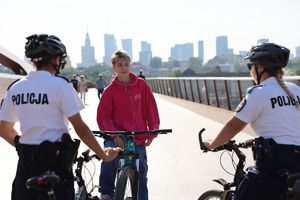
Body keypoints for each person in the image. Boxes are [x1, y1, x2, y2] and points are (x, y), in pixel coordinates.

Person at [0, 34, 120, 200]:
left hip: (26, 165)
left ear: (34, 61)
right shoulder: (61, 85)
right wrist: (104, 155)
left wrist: (23, 147)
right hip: (55, 165)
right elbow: (82, 129)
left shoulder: (16, 88)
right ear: (55, 59)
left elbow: (4, 129)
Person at [203, 43, 300, 200]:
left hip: (273, 167)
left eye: (251, 65)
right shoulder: (295, 90)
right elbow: (286, 125)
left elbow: (233, 125)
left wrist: (212, 144)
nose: (250, 70)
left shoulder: (258, 93)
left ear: (260, 67)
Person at [96, 50, 160, 200]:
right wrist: (113, 134)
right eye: (120, 65)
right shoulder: (109, 90)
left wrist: (152, 133)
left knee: (142, 171)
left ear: (130, 66)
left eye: (126, 64)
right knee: (109, 158)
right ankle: (106, 193)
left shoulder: (141, 85)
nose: (123, 67)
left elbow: (151, 109)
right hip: (116, 134)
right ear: (114, 67)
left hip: (138, 135)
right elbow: (103, 116)